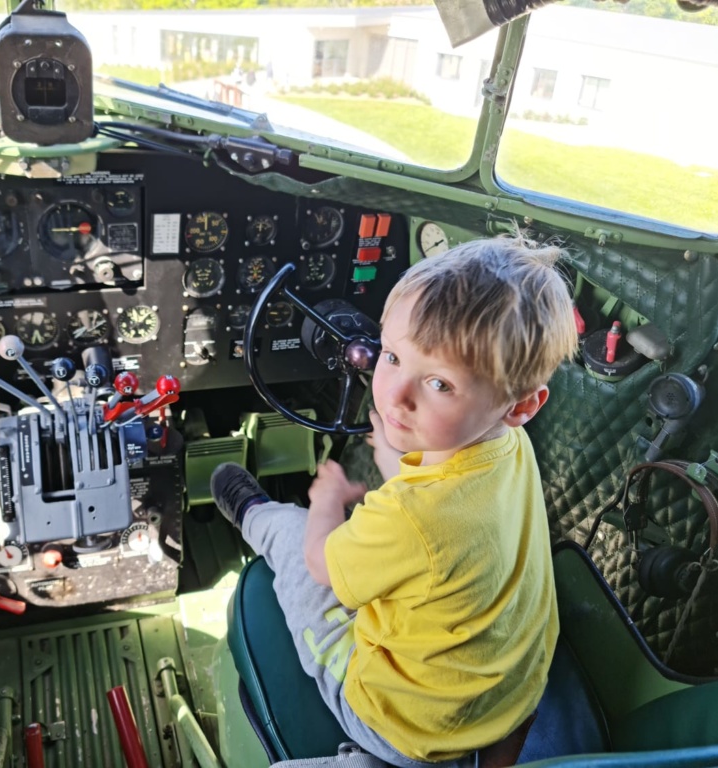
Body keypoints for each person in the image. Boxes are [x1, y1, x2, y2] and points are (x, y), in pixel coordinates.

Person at [211, 235, 578, 767]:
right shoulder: (508, 443)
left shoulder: (410, 516)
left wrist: (327, 502)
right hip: (513, 695)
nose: (394, 396)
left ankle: (253, 513)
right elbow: (432, 502)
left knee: (294, 541)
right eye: (390, 356)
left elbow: (324, 566)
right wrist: (394, 454)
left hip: (408, 724)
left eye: (439, 384)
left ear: (521, 404)